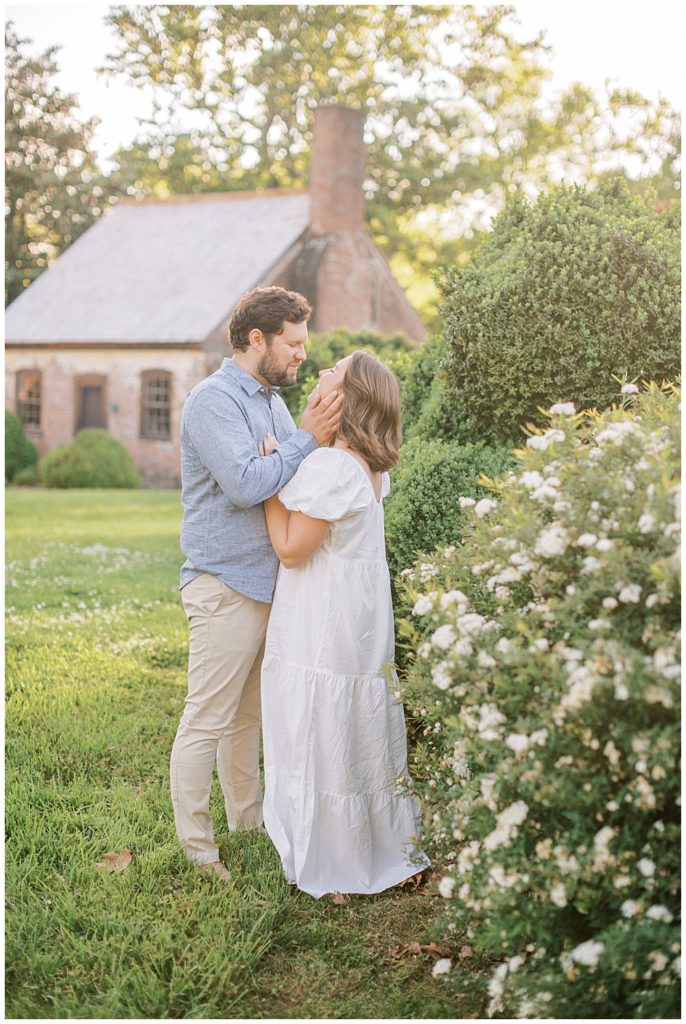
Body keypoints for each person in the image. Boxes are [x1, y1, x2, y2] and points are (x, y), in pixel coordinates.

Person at [170, 286, 343, 880]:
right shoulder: (212, 400)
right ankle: (199, 851)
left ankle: (247, 823)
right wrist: (301, 443)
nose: (301, 354)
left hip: (269, 585)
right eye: (293, 343)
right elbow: (248, 485)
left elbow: (286, 479)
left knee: (248, 720)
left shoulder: (271, 403)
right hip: (224, 585)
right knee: (207, 718)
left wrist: (289, 452)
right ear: (256, 340)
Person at [259, 350, 430, 897]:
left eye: (334, 369)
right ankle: (368, 840)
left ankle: (332, 856)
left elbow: (290, 548)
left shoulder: (334, 467)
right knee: (352, 729)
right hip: (355, 625)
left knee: (320, 729)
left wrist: (269, 483)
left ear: (347, 397)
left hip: (323, 623)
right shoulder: (370, 469)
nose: (322, 371)